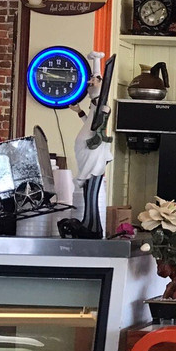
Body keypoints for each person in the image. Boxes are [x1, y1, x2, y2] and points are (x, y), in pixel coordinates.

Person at [60, 51, 113, 238]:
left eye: (94, 81)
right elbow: (90, 125)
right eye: (90, 81)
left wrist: (100, 112)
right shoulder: (94, 105)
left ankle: (93, 226)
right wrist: (79, 111)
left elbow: (97, 127)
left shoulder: (102, 106)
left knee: (91, 190)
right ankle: (89, 223)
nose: (91, 83)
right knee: (87, 190)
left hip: (94, 152)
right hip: (87, 151)